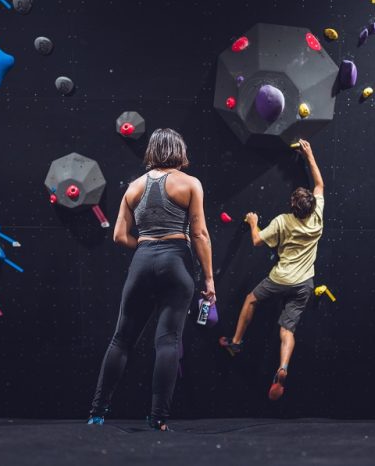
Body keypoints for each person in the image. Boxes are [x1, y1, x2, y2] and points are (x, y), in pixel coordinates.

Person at [88, 128, 215, 431]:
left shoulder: (133, 188)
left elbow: (119, 236)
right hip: (177, 261)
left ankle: (97, 412)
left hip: (142, 261)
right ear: (179, 151)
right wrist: (209, 280)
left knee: (121, 340)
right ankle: (158, 417)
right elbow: (198, 234)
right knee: (168, 341)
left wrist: (145, 249)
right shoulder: (190, 184)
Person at [219, 139, 324, 401]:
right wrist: (309, 155)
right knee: (287, 330)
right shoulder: (318, 217)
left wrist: (254, 222)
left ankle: (236, 343)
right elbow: (320, 184)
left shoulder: (282, 221)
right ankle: (283, 367)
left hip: (280, 278)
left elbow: (256, 241)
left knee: (251, 299)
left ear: (293, 206)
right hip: (304, 283)